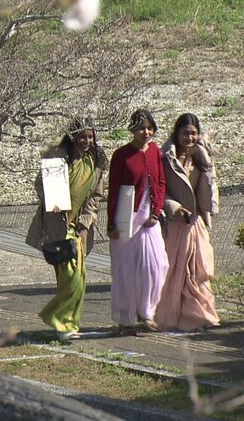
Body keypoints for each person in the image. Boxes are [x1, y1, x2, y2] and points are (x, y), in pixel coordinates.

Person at [26, 117, 108, 341]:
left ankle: (66, 323)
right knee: (68, 277)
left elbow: (96, 196)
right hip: (57, 226)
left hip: (80, 227)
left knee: (79, 278)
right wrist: (52, 202)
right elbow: (40, 185)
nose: (87, 141)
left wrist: (86, 219)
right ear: (73, 137)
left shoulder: (96, 162)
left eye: (90, 137)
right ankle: (59, 319)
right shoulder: (57, 159)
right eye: (82, 136)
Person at [155, 113, 220, 331]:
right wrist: (173, 207)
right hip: (175, 225)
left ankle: (202, 315)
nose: (189, 138)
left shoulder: (202, 158)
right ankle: (170, 316)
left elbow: (210, 190)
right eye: (185, 133)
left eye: (193, 133)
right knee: (174, 272)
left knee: (198, 271)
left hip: (196, 223)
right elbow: (158, 190)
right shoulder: (166, 158)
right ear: (177, 133)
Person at [106, 109, 168, 336]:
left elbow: (161, 182)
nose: (146, 132)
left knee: (157, 265)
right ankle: (126, 320)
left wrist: (157, 211)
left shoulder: (155, 151)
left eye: (150, 128)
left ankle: (147, 312)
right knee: (126, 271)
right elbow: (113, 189)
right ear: (132, 130)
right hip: (126, 215)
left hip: (150, 218)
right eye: (142, 128)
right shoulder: (121, 155)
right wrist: (112, 223)